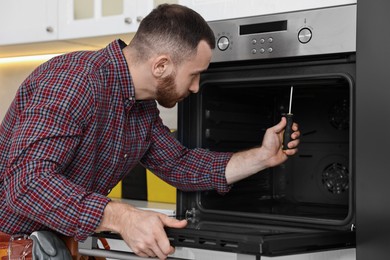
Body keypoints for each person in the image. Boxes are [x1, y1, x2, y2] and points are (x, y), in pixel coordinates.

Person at [0, 4, 300, 260]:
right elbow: (26, 184)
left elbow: (180, 164)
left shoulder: (141, 109)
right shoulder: (75, 81)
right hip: (11, 246)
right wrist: (122, 217)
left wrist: (261, 157)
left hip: (59, 246)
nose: (196, 88)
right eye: (194, 75)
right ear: (161, 66)